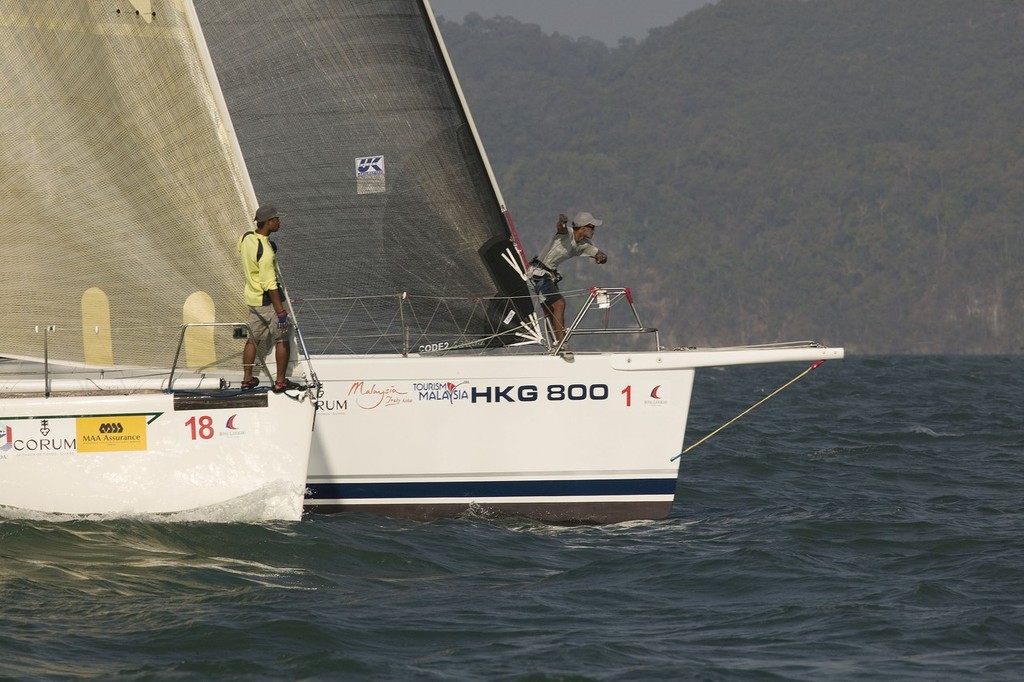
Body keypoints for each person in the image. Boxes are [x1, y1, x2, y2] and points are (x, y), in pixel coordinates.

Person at [527, 211, 608, 356]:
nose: (594, 230)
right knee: (559, 304)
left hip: (549, 276)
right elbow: (561, 228)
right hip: (538, 274)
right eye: (591, 227)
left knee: (551, 310)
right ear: (582, 227)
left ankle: (556, 345)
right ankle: (561, 343)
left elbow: (598, 253)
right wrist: (562, 222)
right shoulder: (566, 234)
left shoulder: (583, 245)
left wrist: (601, 257)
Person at [238, 205, 300, 392]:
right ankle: (281, 381)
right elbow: (270, 284)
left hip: (253, 299)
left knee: (253, 339)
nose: (279, 223)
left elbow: (244, 253)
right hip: (269, 302)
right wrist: (280, 311)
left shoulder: (246, 237)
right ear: (269, 222)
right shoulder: (265, 251)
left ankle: (247, 379)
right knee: (282, 339)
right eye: (277, 220)